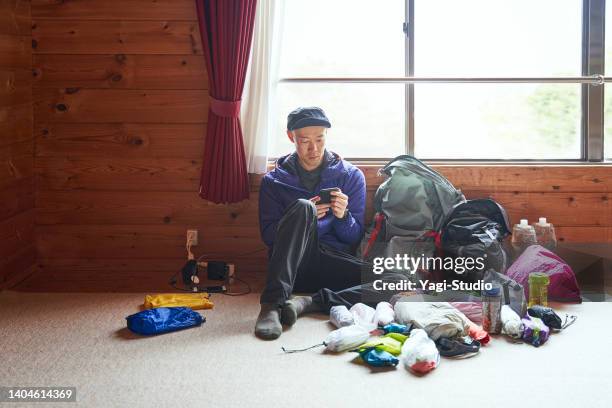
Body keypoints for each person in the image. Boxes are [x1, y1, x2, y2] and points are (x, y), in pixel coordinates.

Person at [254, 107, 372, 340]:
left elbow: (353, 237)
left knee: (398, 281)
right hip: (290, 267)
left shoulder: (351, 176)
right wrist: (305, 219)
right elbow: (269, 237)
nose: (313, 148)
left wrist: (343, 216)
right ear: (291, 137)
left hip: (331, 262)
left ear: (327, 135)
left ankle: (308, 303)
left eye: (319, 139)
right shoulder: (273, 181)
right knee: (303, 207)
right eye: (305, 140)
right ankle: (271, 305)